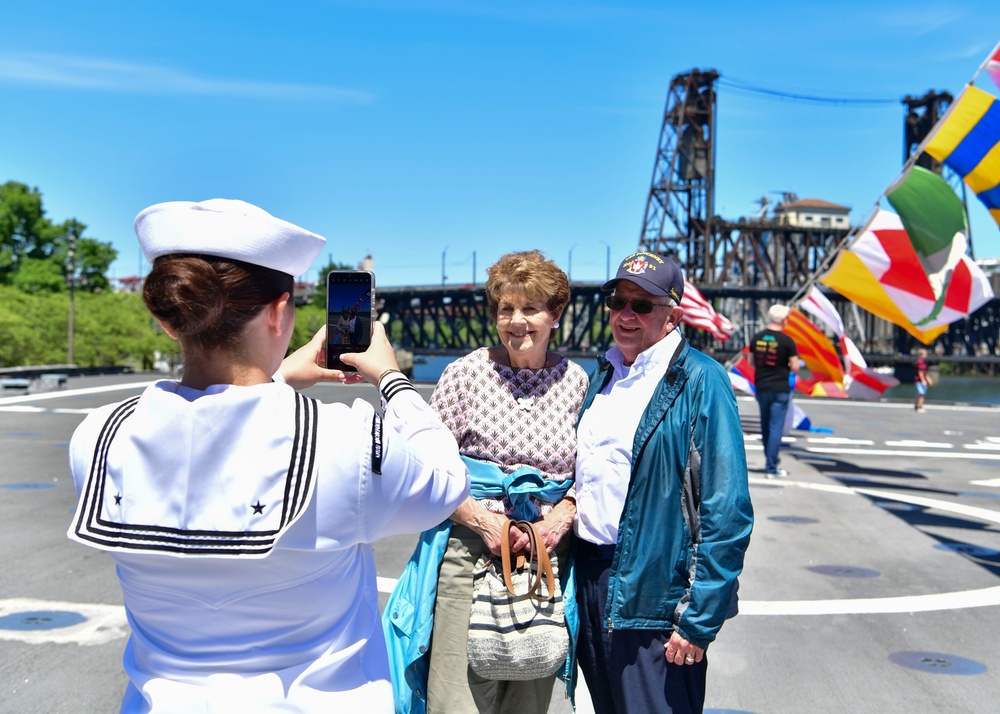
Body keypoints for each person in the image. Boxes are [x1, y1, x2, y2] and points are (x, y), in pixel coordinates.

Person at [65, 199, 470, 713]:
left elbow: (207, 438)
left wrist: (274, 379)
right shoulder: (344, 441)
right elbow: (446, 481)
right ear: (279, 312)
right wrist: (391, 379)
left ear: (172, 322)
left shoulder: (99, 436)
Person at [383, 250, 589, 714]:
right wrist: (482, 521)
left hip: (544, 559)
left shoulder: (577, 381)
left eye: (531, 308)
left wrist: (562, 515)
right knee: (455, 699)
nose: (517, 321)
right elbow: (423, 468)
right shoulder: (465, 375)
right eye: (506, 309)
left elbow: (590, 472)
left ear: (555, 314)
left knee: (528, 700)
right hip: (469, 552)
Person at [574, 251, 753, 714]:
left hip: (656, 593)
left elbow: (727, 507)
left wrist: (700, 618)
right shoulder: (604, 375)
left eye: (642, 305)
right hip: (592, 580)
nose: (626, 315)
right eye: (617, 302)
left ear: (673, 315)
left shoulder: (701, 380)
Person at [749, 304, 801, 478]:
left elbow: (751, 362)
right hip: (780, 387)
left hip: (762, 386)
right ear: (784, 320)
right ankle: (771, 466)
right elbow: (795, 367)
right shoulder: (787, 341)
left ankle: (770, 459)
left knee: (765, 425)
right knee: (775, 427)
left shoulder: (757, 337)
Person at [914, 348, 932, 413]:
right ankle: (919, 407)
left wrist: (928, 379)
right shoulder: (919, 362)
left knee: (920, 393)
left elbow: (925, 372)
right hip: (919, 380)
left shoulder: (924, 362)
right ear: (921, 355)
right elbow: (920, 372)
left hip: (921, 380)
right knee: (921, 394)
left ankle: (917, 406)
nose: (926, 355)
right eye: (925, 354)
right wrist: (923, 380)